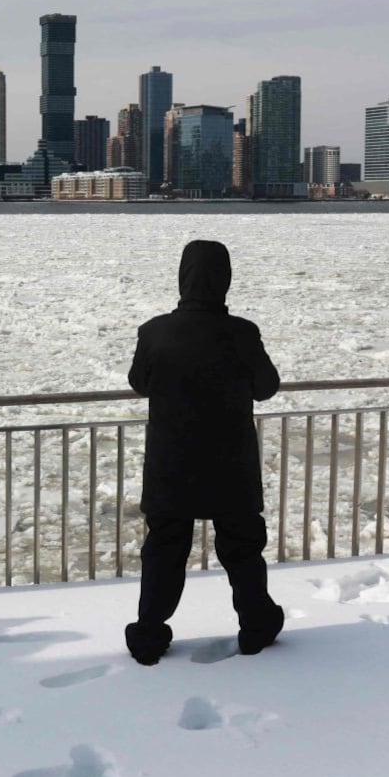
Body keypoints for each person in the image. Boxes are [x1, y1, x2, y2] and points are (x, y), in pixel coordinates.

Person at [124, 239, 286, 665]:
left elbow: (139, 382)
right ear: (225, 280)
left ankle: (148, 636)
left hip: (171, 462)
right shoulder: (242, 333)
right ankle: (256, 627)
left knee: (164, 550)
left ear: (182, 277)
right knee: (242, 549)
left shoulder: (154, 331)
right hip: (229, 464)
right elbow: (266, 387)